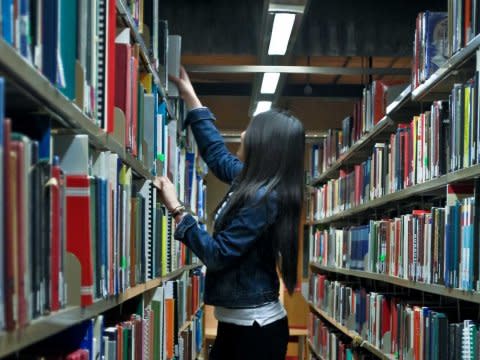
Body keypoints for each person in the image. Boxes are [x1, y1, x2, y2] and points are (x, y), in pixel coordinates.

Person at [156, 67, 305, 360]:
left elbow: (217, 254)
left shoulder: (263, 198)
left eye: (252, 129)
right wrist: (191, 97)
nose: (243, 132)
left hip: (255, 331)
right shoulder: (250, 181)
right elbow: (216, 155)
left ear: (265, 145)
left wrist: (177, 210)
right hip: (240, 323)